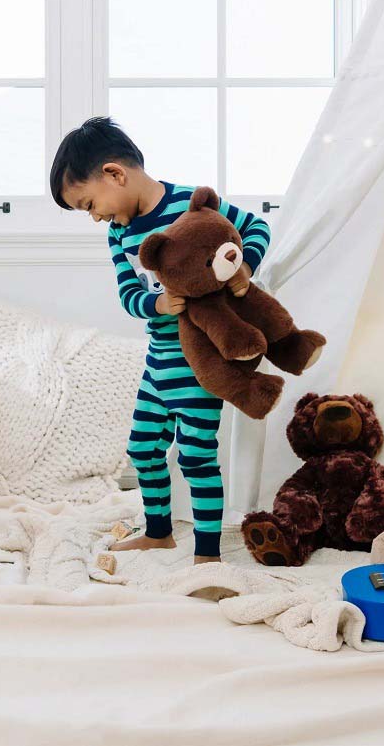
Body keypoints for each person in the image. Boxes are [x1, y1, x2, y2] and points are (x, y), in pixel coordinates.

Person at [50, 116, 271, 563]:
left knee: (195, 454)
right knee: (143, 449)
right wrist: (156, 304)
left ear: (115, 174)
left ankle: (207, 553)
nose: (95, 216)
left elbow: (256, 228)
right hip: (159, 360)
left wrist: (241, 268)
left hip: (201, 359)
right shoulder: (119, 233)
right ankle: (158, 532)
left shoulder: (192, 204)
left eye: (90, 203)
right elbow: (128, 295)